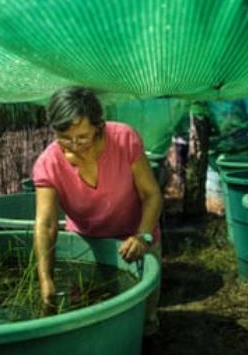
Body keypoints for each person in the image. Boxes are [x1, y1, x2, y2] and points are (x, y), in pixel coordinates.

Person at [32, 86, 162, 311]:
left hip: (136, 238)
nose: (74, 144)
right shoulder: (48, 164)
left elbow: (151, 195)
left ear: (98, 126)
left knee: (141, 315)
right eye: (64, 137)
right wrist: (46, 279)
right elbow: (46, 225)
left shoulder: (123, 139)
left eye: (82, 136)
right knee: (87, 308)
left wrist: (143, 236)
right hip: (87, 244)